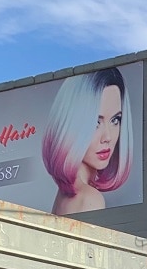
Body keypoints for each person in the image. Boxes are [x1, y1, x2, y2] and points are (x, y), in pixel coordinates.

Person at [41, 67, 133, 215]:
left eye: (115, 120)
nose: (107, 137)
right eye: (96, 122)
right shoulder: (90, 199)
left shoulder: (64, 196)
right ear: (71, 125)